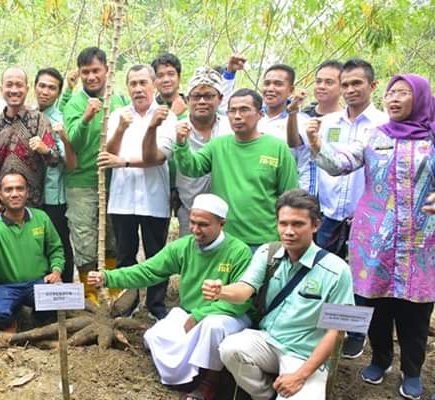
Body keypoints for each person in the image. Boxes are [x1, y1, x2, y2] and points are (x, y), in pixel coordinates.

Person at [308, 74, 435, 400]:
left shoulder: (432, 138)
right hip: (374, 240)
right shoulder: (373, 136)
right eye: (392, 93)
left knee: (415, 311)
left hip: (421, 243)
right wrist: (317, 146)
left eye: (403, 93)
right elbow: (340, 164)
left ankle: (412, 371)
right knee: (374, 303)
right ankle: (380, 359)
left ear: (419, 98)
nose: (394, 99)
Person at [208, 189, 354, 400]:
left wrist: (300, 376)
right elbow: (245, 289)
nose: (289, 231)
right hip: (267, 339)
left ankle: (294, 394)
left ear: (316, 225)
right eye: (283, 223)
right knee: (229, 348)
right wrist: (222, 291)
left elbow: (337, 331)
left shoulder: (338, 270)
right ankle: (264, 395)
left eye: (298, 224)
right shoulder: (268, 253)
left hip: (304, 352)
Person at [88, 194, 252, 400]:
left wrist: (201, 315)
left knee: (213, 327)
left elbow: (243, 300)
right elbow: (148, 271)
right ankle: (191, 375)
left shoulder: (239, 252)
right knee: (153, 337)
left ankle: (210, 381)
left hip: (228, 316)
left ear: (222, 224)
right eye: (192, 222)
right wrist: (108, 277)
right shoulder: (184, 246)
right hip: (189, 313)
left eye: (203, 225)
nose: (195, 230)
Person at [293, 59, 387, 359]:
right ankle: (326, 330)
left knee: (360, 277)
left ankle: (355, 333)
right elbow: (316, 161)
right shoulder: (327, 123)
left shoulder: (384, 125)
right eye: (345, 84)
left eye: (356, 83)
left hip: (367, 217)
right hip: (329, 211)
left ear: (372, 86)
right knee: (327, 272)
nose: (350, 90)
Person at [173, 88, 298, 249]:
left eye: (244, 110)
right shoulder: (218, 145)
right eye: (232, 111)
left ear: (260, 114)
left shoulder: (278, 148)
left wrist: (285, 236)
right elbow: (192, 168)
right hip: (226, 239)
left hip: (265, 240)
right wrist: (182, 144)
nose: (237, 116)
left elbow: (289, 196)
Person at [98, 64, 175, 319]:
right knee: (124, 255)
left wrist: (125, 162)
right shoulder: (118, 114)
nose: (138, 88)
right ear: (127, 87)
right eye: (133, 83)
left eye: (143, 83)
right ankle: (127, 304)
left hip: (154, 197)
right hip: (122, 199)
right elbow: (108, 152)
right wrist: (120, 128)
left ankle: (155, 306)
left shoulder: (166, 116)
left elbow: (158, 157)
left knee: (157, 255)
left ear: (154, 85)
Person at [63, 47, 128, 304]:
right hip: (81, 183)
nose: (91, 76)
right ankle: (91, 297)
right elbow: (74, 143)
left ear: (107, 71)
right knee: (85, 239)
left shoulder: (120, 101)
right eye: (85, 72)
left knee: (112, 238)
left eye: (95, 71)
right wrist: (87, 118)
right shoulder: (75, 104)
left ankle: (111, 291)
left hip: (115, 182)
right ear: (79, 74)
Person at [0, 172, 64, 332]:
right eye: (8, 189)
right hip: (6, 286)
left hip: (37, 283)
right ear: (0, 195)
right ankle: (13, 320)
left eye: (20, 189)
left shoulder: (41, 217)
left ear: (27, 192)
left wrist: (56, 270)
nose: (14, 194)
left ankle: (36, 319)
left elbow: (56, 248)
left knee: (59, 300)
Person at [152, 67, 232, 238]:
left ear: (220, 99)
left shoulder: (230, 128)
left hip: (228, 211)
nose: (202, 101)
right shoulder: (175, 127)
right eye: (196, 96)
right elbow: (159, 157)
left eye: (209, 96)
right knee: (191, 258)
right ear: (187, 100)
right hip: (189, 209)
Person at [0, 67, 60, 207]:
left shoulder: (39, 120)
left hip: (32, 203)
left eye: (19, 85)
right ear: (1, 89)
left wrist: (45, 150)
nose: (14, 90)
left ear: (27, 89)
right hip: (1, 204)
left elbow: (55, 159)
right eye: (9, 85)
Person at [34, 67, 75, 282]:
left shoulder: (59, 119)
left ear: (58, 93)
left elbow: (65, 156)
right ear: (34, 87)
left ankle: (65, 289)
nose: (45, 91)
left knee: (58, 243)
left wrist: (45, 150)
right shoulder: (31, 115)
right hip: (31, 194)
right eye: (42, 86)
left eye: (52, 88)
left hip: (53, 195)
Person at [259, 64, 314, 193]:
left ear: (290, 90)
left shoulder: (302, 121)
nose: (270, 89)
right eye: (267, 83)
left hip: (286, 196)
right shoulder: (253, 116)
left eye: (278, 84)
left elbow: (295, 145)